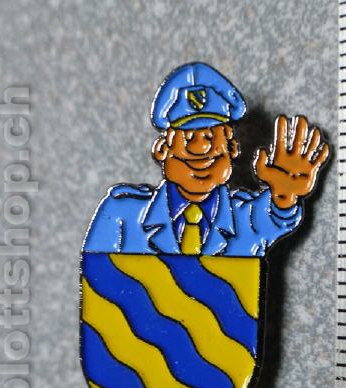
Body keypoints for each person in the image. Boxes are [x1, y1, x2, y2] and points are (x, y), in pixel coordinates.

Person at [83, 62, 329, 257]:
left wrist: (284, 195)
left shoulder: (246, 220)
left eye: (211, 137)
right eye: (188, 137)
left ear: (232, 149)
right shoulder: (121, 216)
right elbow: (96, 285)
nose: (201, 148)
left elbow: (274, 216)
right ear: (162, 150)